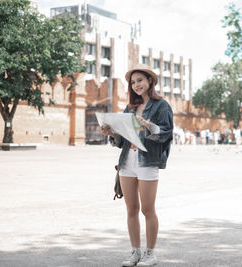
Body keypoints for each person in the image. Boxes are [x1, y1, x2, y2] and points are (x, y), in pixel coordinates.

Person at [100, 64, 173, 267]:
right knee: (131, 209)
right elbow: (122, 140)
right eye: (132, 82)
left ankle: (150, 254)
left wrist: (150, 126)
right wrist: (112, 134)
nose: (136, 85)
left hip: (147, 161)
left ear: (150, 81)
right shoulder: (129, 108)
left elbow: (167, 134)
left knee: (147, 209)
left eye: (139, 80)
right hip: (127, 161)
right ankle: (135, 252)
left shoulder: (162, 106)